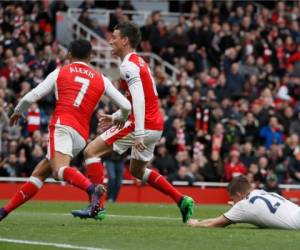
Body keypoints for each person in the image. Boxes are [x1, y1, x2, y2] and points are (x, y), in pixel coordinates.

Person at [71, 21, 194, 223]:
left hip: (143, 125)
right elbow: (135, 98)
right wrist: (117, 116)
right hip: (155, 125)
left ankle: (97, 207)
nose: (110, 41)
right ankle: (181, 199)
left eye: (114, 37)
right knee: (137, 170)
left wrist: (138, 133)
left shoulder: (128, 65)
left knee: (90, 152)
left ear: (125, 41)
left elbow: (139, 99)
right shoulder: (138, 62)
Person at [0, 39, 132, 221]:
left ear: (69, 54)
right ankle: (4, 211)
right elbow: (126, 105)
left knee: (58, 170)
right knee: (40, 173)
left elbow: (33, 96)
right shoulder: (102, 79)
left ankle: (92, 189)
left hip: (62, 125)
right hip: (80, 135)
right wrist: (119, 118)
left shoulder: (60, 72)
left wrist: (17, 111)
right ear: (91, 56)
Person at [188, 175, 300, 229]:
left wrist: (196, 223)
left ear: (238, 194)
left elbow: (215, 223)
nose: (233, 201)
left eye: (233, 198)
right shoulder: (261, 192)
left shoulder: (244, 206)